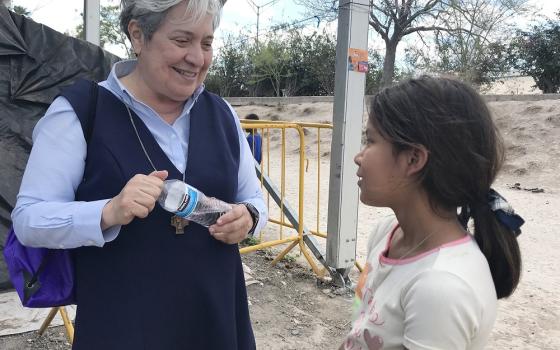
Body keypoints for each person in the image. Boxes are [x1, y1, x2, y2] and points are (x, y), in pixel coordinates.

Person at [11, 1, 267, 349]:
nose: (197, 57)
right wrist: (107, 212)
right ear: (138, 35)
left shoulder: (222, 115)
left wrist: (249, 218)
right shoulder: (82, 112)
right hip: (122, 326)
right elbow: (28, 219)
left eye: (206, 43)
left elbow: (253, 199)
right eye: (182, 40)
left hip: (215, 322)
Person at [341, 76, 523, 350]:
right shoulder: (387, 233)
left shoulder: (441, 286)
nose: (359, 156)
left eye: (371, 140)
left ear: (413, 159)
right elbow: (362, 321)